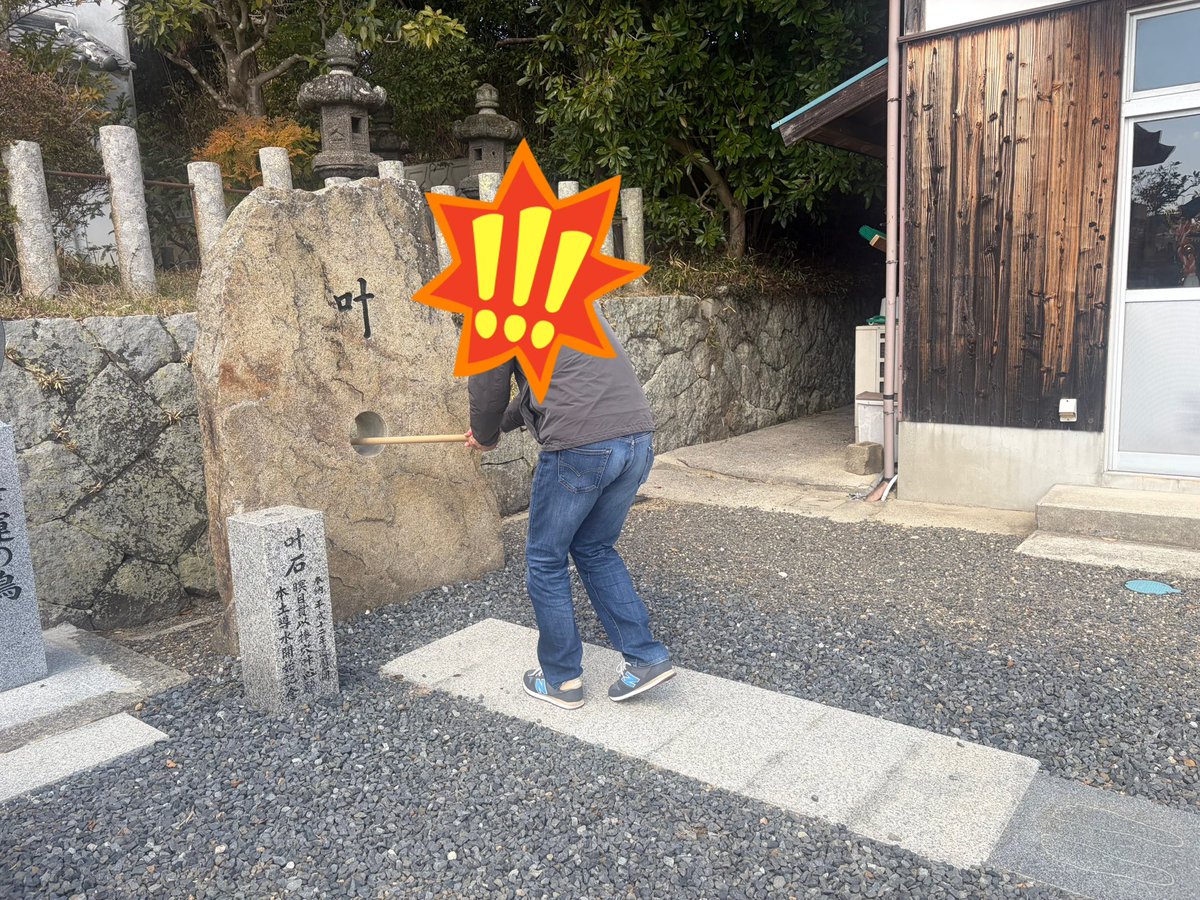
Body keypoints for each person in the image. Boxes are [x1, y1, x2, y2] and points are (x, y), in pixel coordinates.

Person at [464, 310, 674, 709]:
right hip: (636, 440)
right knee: (594, 548)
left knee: (545, 559)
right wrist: (492, 430)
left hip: (581, 447)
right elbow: (546, 386)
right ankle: (647, 658)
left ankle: (561, 680)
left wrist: (486, 435)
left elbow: (488, 388)